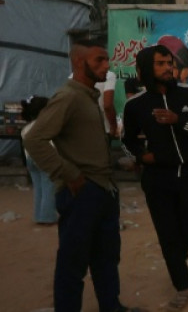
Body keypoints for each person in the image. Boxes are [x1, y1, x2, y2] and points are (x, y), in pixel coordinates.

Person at [23, 39, 141, 312]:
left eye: (106, 59)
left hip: (103, 190)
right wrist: (70, 175)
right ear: (79, 62)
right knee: (72, 265)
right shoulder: (69, 96)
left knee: (106, 259)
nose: (106, 65)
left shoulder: (89, 97)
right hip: (82, 193)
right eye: (98, 60)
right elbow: (36, 140)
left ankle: (111, 307)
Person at [122, 44, 188, 309]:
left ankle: (178, 260)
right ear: (146, 69)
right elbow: (126, 141)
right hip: (157, 179)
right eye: (160, 64)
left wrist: (178, 121)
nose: (167, 68)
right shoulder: (135, 105)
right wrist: (141, 156)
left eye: (169, 63)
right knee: (167, 234)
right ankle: (182, 285)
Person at [19, 95, 57, 225]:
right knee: (49, 187)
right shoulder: (47, 126)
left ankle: (38, 215)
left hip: (30, 160)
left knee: (39, 187)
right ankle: (47, 217)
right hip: (45, 159)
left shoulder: (26, 128)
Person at [96, 70, 119, 138]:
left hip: (78, 130)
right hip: (103, 129)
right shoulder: (108, 75)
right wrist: (114, 126)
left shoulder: (73, 76)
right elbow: (107, 105)